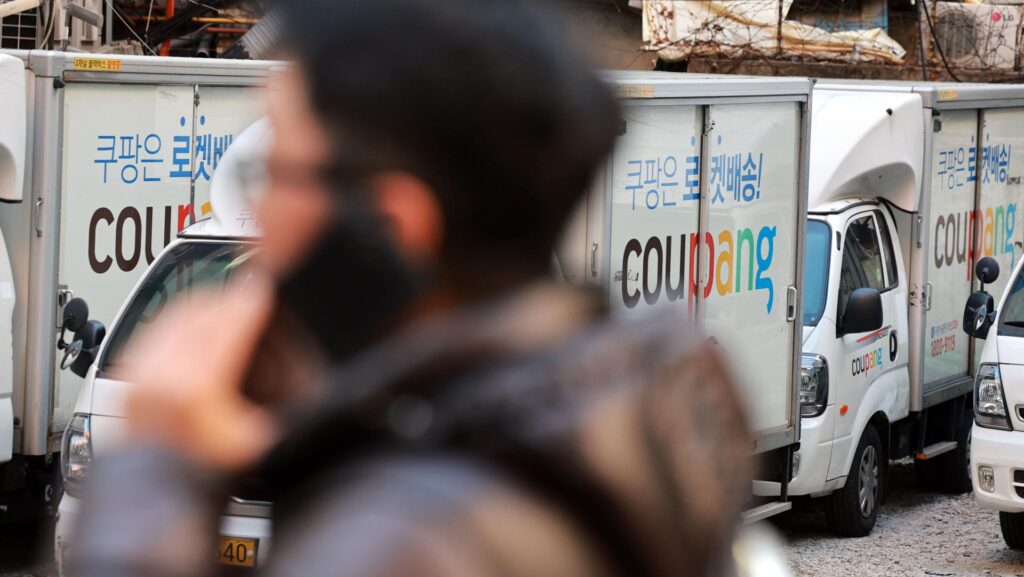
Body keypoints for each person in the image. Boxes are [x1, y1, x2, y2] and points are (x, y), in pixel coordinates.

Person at [69, 1, 752, 576]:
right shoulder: (608, 423)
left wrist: (152, 476)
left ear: (392, 228)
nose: (254, 212)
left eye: (274, 173)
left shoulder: (398, 543)